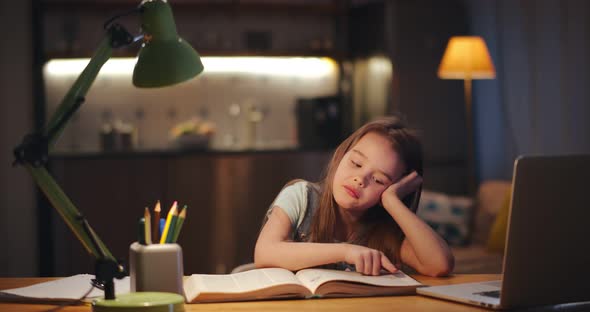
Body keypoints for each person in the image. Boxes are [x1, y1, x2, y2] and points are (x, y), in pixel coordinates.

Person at [254, 115, 454, 277]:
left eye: (378, 180)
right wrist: (346, 251)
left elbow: (439, 265)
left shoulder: (383, 230)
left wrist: (393, 202)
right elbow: (265, 252)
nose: (360, 179)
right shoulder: (301, 196)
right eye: (356, 163)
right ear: (342, 155)